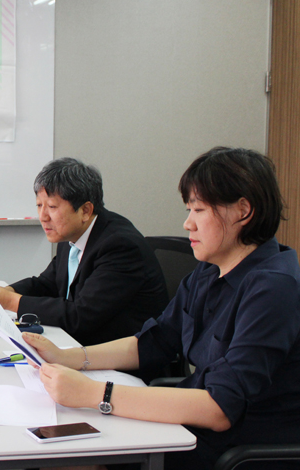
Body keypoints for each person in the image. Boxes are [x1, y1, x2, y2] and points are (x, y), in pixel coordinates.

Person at [24, 147, 300, 469]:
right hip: (192, 427)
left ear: (243, 211)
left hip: (235, 448)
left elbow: (220, 408)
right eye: (188, 209)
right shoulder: (210, 269)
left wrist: (94, 393)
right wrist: (68, 357)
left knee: (73, 452)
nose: (187, 224)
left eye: (198, 210)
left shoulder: (274, 288)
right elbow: (153, 341)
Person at [0, 157, 169, 345]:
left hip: (118, 357)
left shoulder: (120, 246)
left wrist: (11, 301)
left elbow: (81, 316)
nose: (43, 216)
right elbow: (47, 284)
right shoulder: (71, 232)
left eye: (52, 206)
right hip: (80, 345)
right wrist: (7, 291)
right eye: (39, 205)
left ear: (85, 211)